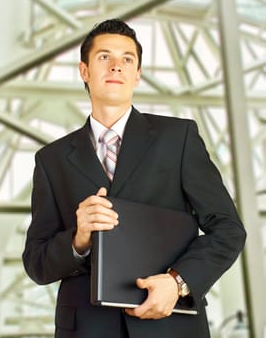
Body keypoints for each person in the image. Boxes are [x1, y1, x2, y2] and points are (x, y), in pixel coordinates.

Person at [22, 19, 246, 338]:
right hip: (87, 329)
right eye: (104, 57)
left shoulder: (178, 137)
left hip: (171, 324)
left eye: (127, 59)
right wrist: (79, 238)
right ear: (84, 70)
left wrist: (177, 282)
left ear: (137, 74)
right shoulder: (51, 159)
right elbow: (36, 262)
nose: (117, 66)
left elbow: (228, 228)